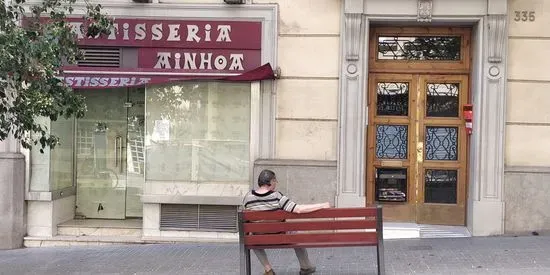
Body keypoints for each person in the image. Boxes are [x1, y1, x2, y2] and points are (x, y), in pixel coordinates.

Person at [242, 169, 331, 275]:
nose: (276, 184)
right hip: (280, 237)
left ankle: (268, 269)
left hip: (259, 238)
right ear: (271, 181)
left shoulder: (248, 197)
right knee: (295, 235)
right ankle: (306, 267)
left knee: (252, 237)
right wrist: (322, 205)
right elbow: (298, 209)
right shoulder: (277, 196)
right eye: (275, 181)